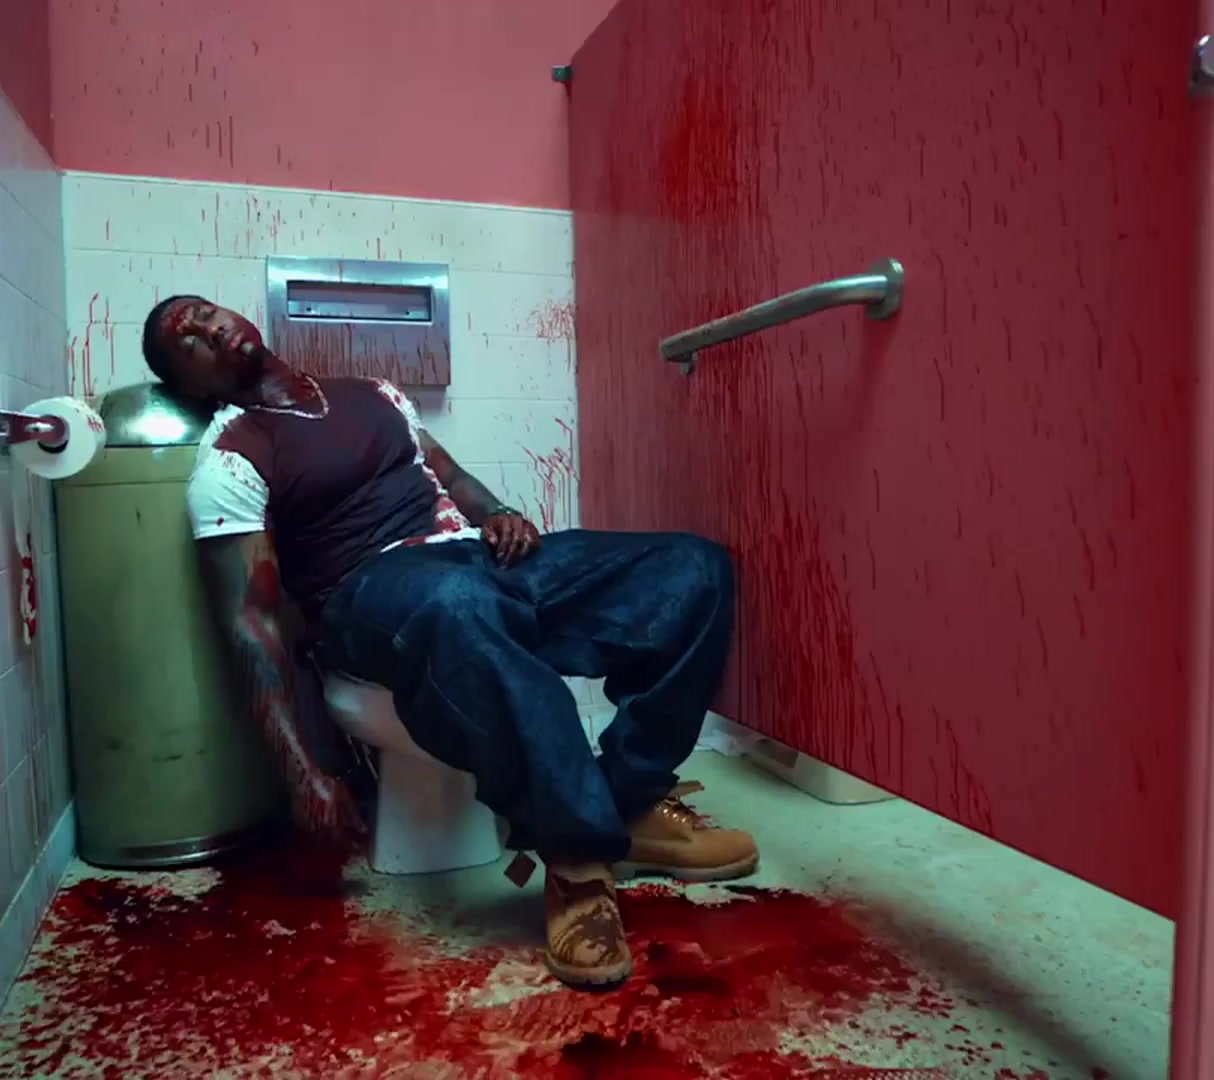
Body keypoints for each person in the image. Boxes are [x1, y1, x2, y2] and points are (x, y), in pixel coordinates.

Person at [140, 295, 759, 988]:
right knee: (458, 601)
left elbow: (451, 476)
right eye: (187, 341)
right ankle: (579, 863)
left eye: (203, 313)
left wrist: (498, 512)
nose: (207, 328)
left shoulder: (373, 393)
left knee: (691, 569)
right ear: (189, 384)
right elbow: (251, 622)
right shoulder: (230, 457)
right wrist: (300, 771)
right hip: (369, 593)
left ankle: (629, 800)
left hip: (476, 563)